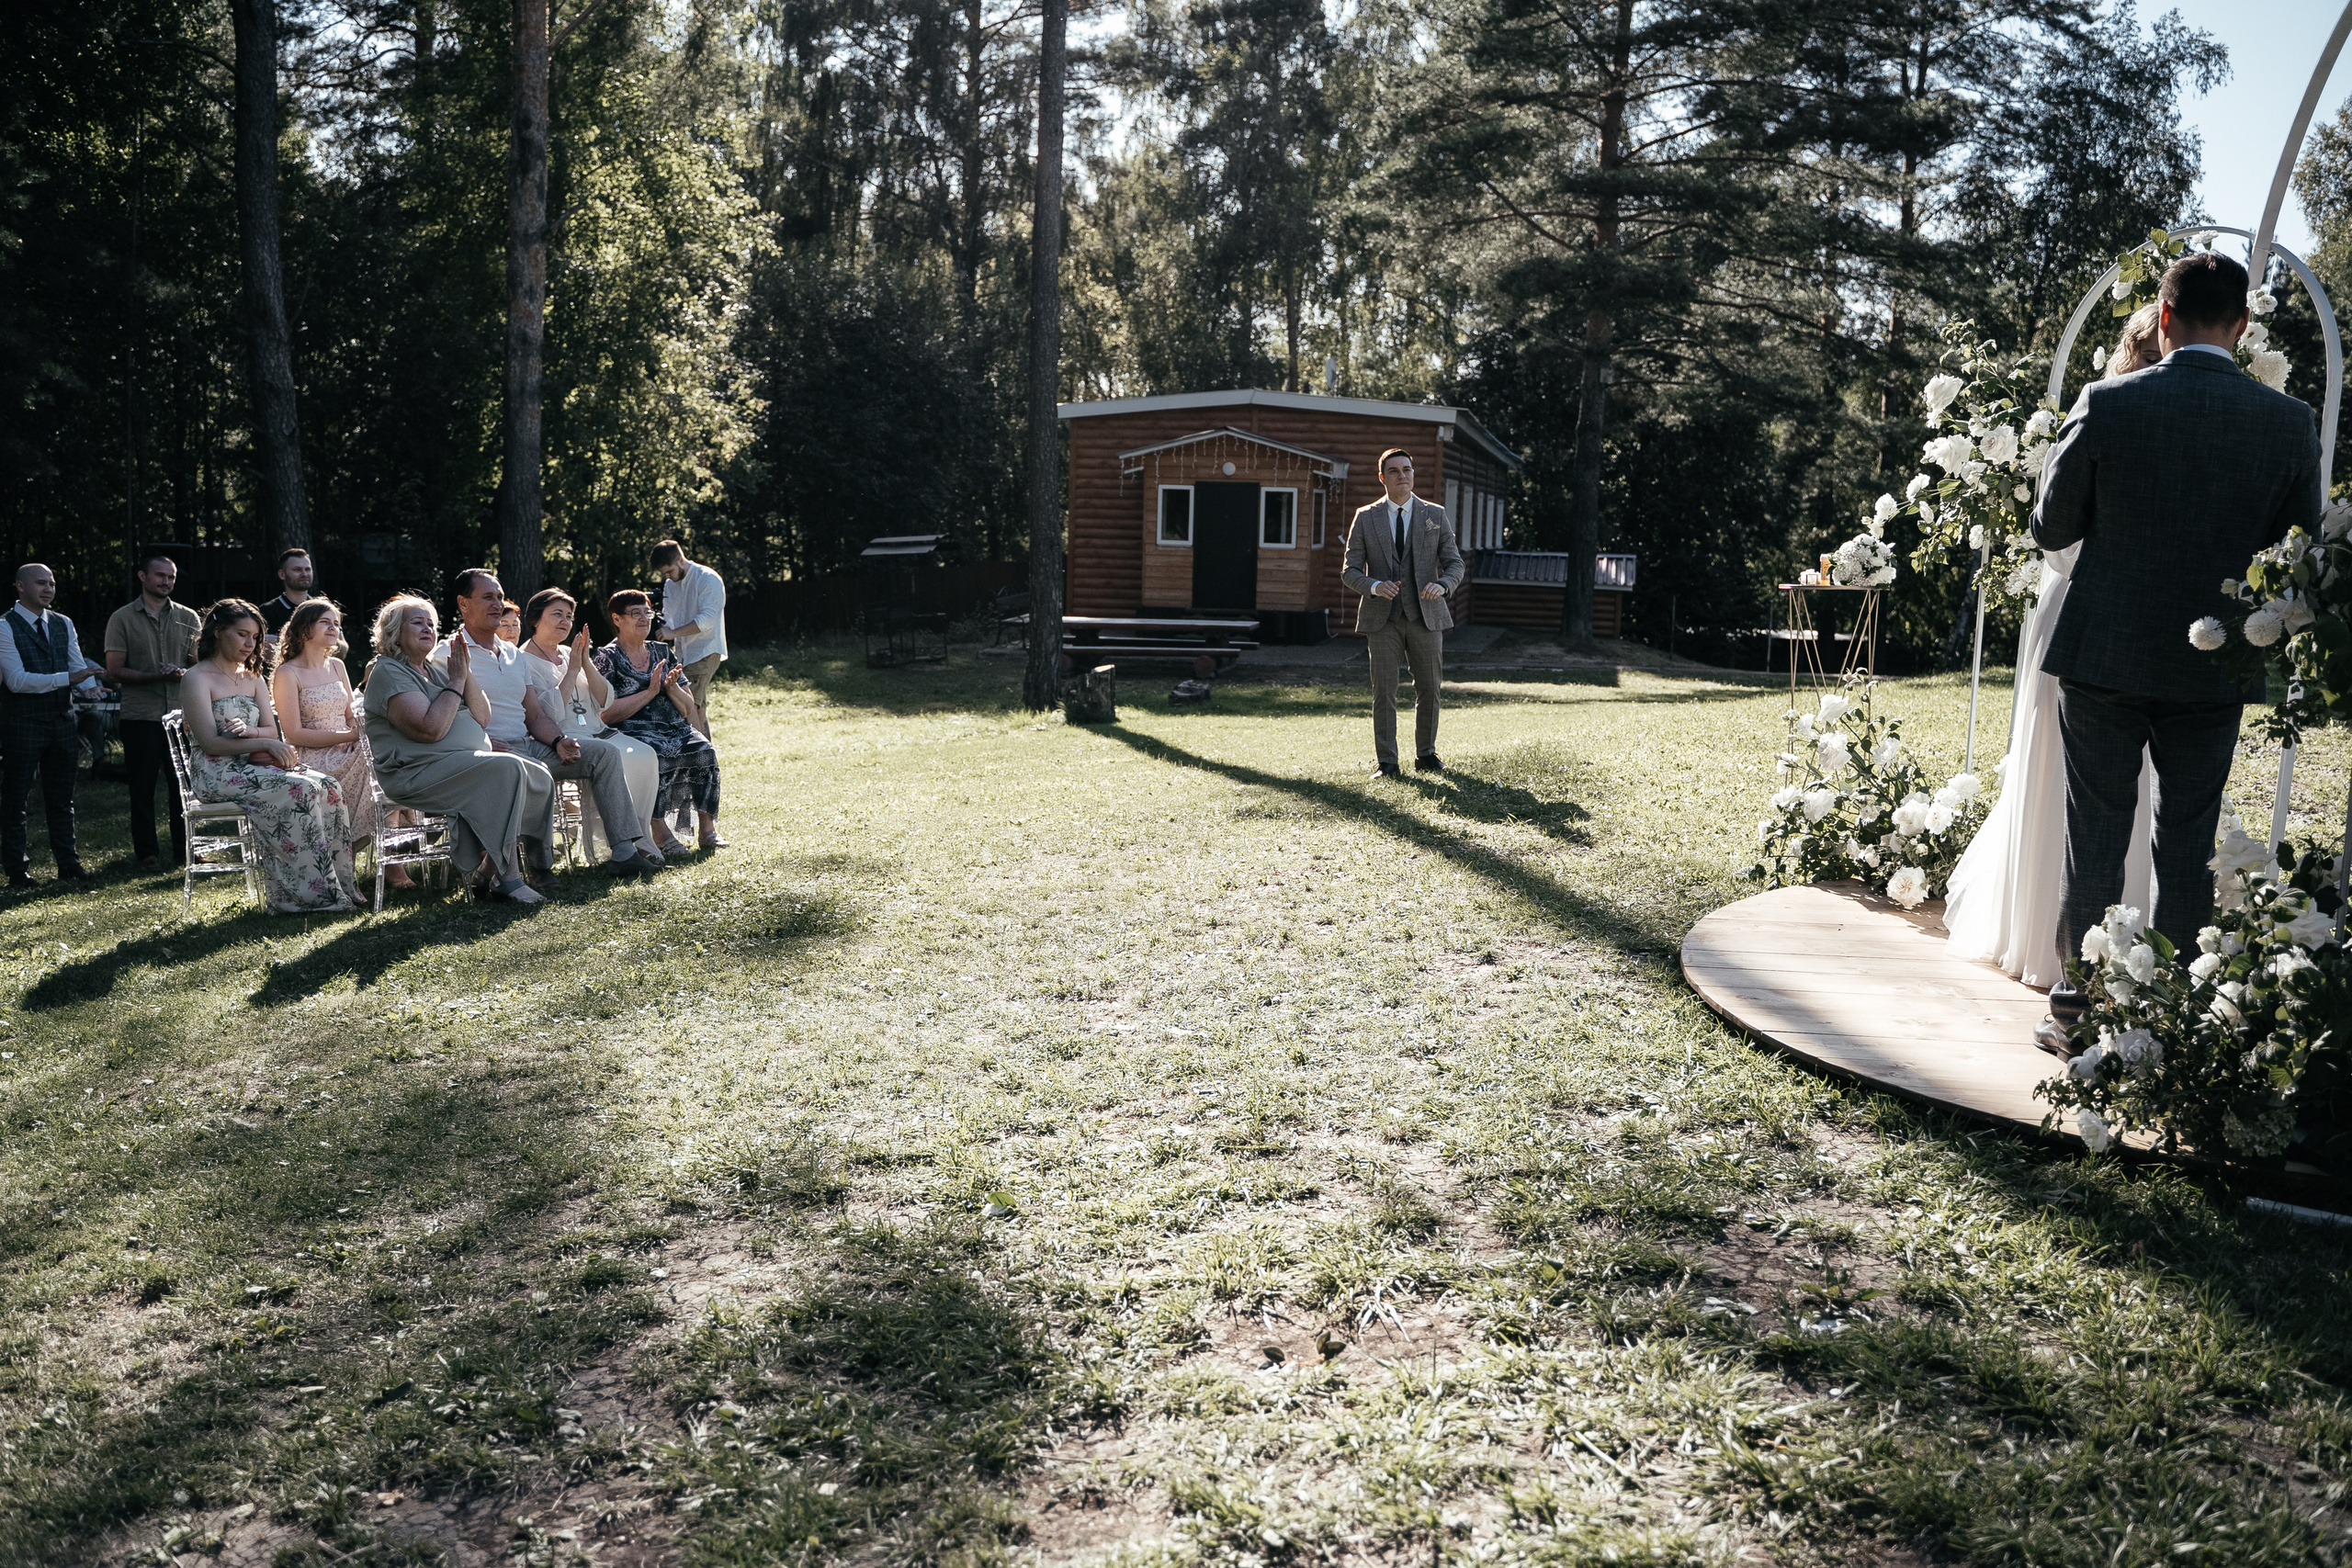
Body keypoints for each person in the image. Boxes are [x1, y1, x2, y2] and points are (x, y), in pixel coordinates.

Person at [2028, 251, 2322, 1056]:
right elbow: (2299, 559)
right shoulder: (2288, 422)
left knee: (2095, 833)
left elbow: (2050, 529)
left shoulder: (2107, 400)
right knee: (2185, 841)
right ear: (2244, 327)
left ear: (2162, 318)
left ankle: (2075, 1009)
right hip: (2215, 662)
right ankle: (2177, 1016)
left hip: (2105, 655)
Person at [1942, 307, 2165, 988]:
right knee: (2079, 773)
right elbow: (2058, 535)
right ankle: (2073, 940)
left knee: (2094, 781)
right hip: (2097, 611)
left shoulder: (2108, 410)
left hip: (2090, 606)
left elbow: (2057, 531)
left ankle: (2075, 940)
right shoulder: (2113, 413)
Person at [434, 570, 659, 877]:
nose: (497, 604)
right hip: (487, 753)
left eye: (499, 597)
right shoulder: (447, 653)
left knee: (604, 754)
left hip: (529, 744)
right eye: (487, 597)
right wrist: (482, 743)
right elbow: (447, 715)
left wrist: (557, 741)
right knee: (534, 772)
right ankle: (539, 866)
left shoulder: (513, 655)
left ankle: (624, 852)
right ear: (463, 603)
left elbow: (536, 715)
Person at [362, 593, 553, 906]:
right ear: (394, 631)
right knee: (507, 769)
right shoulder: (388, 672)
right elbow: (430, 729)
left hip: (456, 764)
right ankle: (509, 880)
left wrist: (465, 674)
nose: (427, 629)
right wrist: (455, 682)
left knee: (538, 774)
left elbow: (482, 716)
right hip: (415, 772)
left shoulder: (436, 670)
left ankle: (489, 869)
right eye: (417, 623)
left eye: (431, 624)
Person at [177, 599, 363, 913]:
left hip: (255, 767)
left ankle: (341, 886)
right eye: (242, 634)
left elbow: (270, 732)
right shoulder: (197, 678)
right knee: (300, 789)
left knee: (329, 786)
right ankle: (310, 897)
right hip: (216, 773)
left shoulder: (252, 678)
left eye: (255, 637)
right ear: (218, 632)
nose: (250, 644)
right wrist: (260, 743)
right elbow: (210, 743)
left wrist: (252, 734)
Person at [271, 597, 413, 890]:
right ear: (303, 629)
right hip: (312, 758)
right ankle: (390, 861)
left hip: (349, 748)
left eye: (337, 622)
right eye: (326, 621)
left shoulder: (336, 665)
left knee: (383, 755)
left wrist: (356, 734)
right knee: (379, 766)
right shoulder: (288, 673)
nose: (334, 627)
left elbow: (352, 714)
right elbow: (294, 735)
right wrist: (349, 737)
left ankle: (387, 856)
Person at [519, 588, 666, 866]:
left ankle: (642, 840)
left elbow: (604, 699)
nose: (565, 621)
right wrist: (573, 669)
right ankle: (620, 848)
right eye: (557, 614)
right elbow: (545, 714)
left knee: (645, 754)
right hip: (563, 736)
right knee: (621, 758)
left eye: (569, 616)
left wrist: (585, 662)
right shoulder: (524, 659)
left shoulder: (569, 652)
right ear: (536, 618)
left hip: (597, 729)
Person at [1340, 447, 1464, 779]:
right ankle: (1388, 763)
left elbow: (1455, 563)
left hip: (1426, 616)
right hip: (1382, 619)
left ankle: (1426, 755)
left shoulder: (1434, 514)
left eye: (1407, 469)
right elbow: (1349, 571)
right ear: (1382, 478)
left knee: (1430, 687)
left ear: (1413, 474)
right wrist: (1375, 586)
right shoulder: (1366, 517)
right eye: (1394, 471)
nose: (1402, 476)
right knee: (1384, 690)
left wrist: (1443, 585)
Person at [0, 564, 108, 887]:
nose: (49, 589)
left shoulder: (63, 623)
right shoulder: (4, 626)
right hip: (21, 721)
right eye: (41, 583)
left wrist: (87, 688)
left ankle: (68, 863)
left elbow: (77, 666)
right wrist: (70, 679)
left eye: (52, 583)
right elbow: (16, 681)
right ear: (20, 586)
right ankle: (17, 871)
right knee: (16, 798)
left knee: (62, 798)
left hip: (63, 720)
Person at [596, 589, 725, 851]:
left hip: (674, 728)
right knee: (657, 755)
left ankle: (707, 831)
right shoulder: (606, 657)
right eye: (635, 613)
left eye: (647, 612)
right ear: (617, 619)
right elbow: (605, 713)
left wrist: (672, 688)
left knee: (704, 750)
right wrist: (650, 692)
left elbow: (688, 708)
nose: (644, 618)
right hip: (632, 731)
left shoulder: (663, 651)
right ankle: (661, 834)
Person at [104, 552, 202, 873]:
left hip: (182, 716)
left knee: (184, 788)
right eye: (160, 575)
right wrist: (157, 676)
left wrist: (183, 674)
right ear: (142, 576)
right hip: (140, 716)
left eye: (171, 577)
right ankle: (147, 853)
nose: (166, 581)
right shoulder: (122, 618)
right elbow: (115, 670)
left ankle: (186, 850)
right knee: (142, 789)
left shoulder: (189, 617)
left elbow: (199, 666)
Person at [653, 540, 727, 738]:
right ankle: (707, 758)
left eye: (669, 571)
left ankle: (701, 759)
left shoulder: (708, 578)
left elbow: (707, 621)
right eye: (664, 574)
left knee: (688, 704)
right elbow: (669, 618)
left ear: (680, 559)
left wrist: (672, 633)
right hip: (682, 655)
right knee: (696, 705)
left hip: (705, 650)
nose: (667, 577)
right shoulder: (670, 585)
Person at [258, 547, 316, 646]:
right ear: (282, 574)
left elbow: (343, 648)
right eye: (297, 570)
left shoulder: (322, 608)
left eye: (307, 569)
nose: (304, 574)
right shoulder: (267, 611)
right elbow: (265, 648)